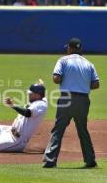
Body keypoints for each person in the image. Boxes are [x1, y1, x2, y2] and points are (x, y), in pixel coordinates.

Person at [43, 37, 100, 168]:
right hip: (83, 100)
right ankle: (90, 160)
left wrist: (67, 79)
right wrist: (82, 84)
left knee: (58, 129)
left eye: (68, 47)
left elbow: (56, 79)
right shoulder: (89, 64)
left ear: (70, 47)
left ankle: (50, 160)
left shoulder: (63, 60)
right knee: (82, 130)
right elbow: (96, 84)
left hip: (66, 98)